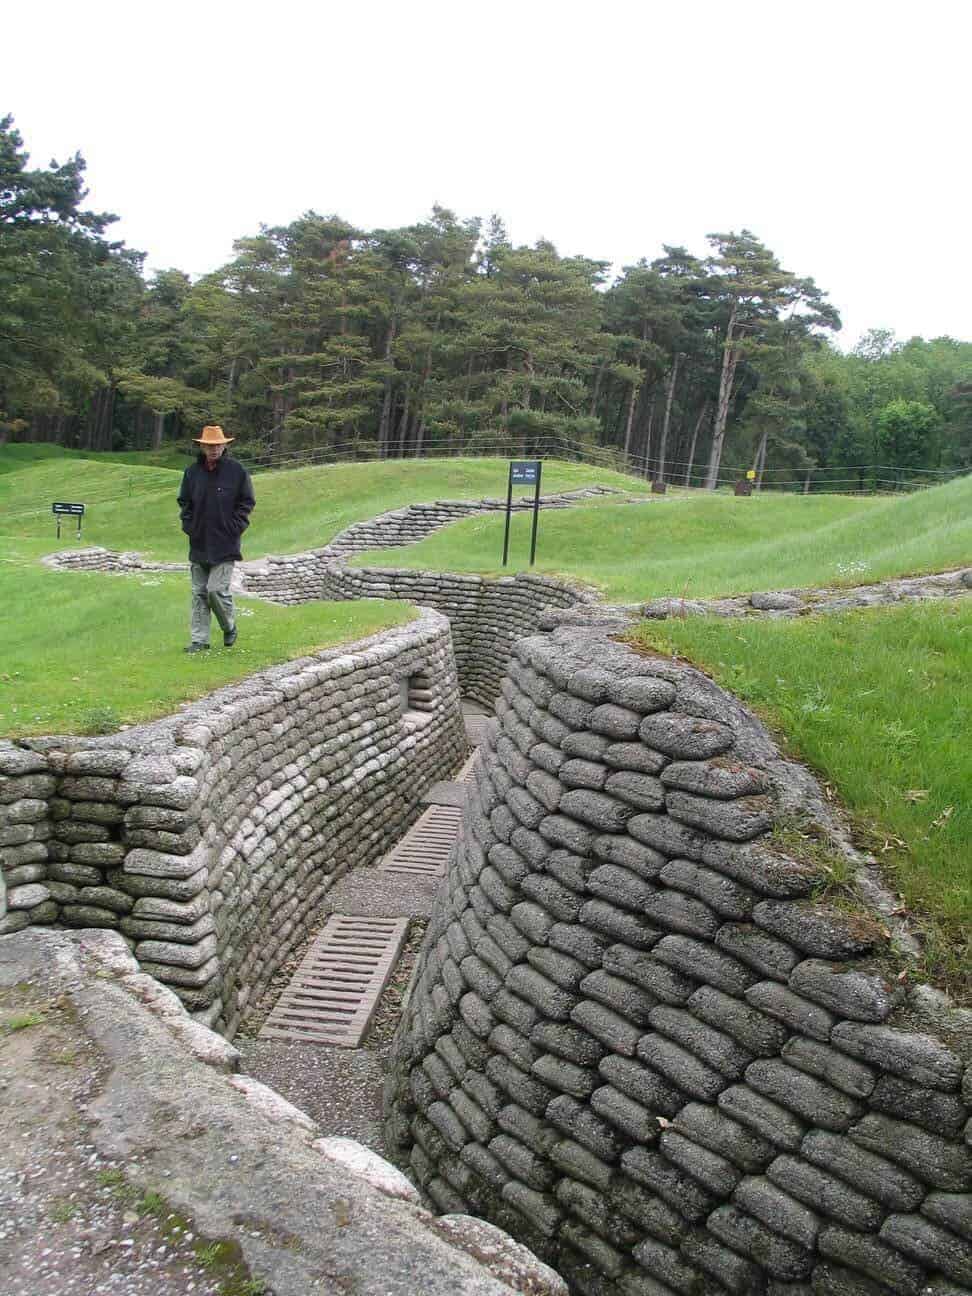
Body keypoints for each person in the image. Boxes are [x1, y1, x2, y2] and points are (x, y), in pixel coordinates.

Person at [177, 425, 255, 653]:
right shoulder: (192, 473)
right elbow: (185, 502)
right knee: (199, 593)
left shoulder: (237, 472)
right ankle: (199, 640)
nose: (214, 449)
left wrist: (235, 527)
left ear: (225, 446)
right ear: (202, 446)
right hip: (199, 542)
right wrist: (190, 525)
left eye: (218, 445)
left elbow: (246, 503)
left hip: (225, 544)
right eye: (209, 446)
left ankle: (229, 626)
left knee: (215, 590)